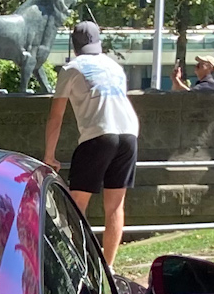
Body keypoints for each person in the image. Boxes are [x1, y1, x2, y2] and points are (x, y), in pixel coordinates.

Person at [41, 20, 141, 263]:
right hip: (129, 133)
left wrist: (49, 155)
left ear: (74, 45)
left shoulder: (71, 68)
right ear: (98, 43)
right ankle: (109, 268)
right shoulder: (114, 66)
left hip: (98, 134)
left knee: (76, 206)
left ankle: (79, 265)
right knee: (115, 207)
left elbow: (56, 116)